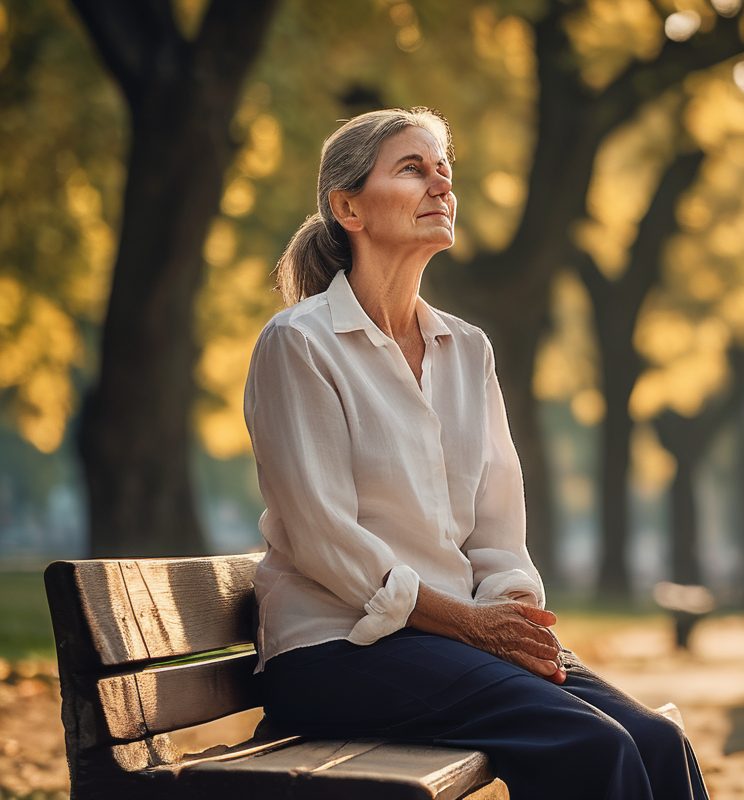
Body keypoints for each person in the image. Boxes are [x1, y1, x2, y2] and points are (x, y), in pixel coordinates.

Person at [244, 108, 708, 799]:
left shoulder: (468, 350)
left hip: (453, 646)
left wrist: (511, 617)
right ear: (349, 207)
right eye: (412, 168)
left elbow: (497, 529)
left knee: (657, 740)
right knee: (590, 746)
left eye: (444, 172)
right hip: (337, 652)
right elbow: (322, 537)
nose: (440, 186)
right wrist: (470, 624)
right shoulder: (299, 344)